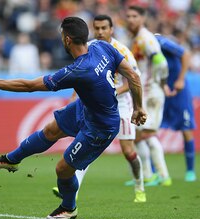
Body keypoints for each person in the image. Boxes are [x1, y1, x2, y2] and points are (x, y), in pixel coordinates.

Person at [0, 17, 146, 219]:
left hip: (101, 127)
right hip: (86, 108)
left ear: (67, 40)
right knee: (50, 131)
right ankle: (11, 160)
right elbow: (134, 76)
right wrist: (139, 107)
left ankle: (69, 208)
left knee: (63, 169)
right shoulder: (102, 46)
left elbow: (29, 86)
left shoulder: (77, 71)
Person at [52, 14, 146, 202]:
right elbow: (81, 77)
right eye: (97, 28)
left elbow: (134, 79)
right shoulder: (90, 47)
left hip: (122, 105)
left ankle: (139, 186)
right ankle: (73, 193)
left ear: (112, 30)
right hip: (96, 106)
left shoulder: (121, 50)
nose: (100, 32)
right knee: (84, 146)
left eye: (104, 28)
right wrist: (73, 98)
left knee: (128, 152)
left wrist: (114, 91)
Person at [125, 5, 171, 186]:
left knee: (148, 135)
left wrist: (162, 83)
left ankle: (163, 175)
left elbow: (161, 62)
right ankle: (148, 175)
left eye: (134, 16)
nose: (130, 19)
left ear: (142, 18)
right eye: (128, 16)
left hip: (151, 92)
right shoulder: (136, 38)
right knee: (137, 135)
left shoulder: (146, 38)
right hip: (143, 91)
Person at [156, 34, 197, 182]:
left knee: (186, 130)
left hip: (179, 92)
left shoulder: (161, 42)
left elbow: (185, 54)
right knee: (151, 130)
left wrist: (180, 79)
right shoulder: (142, 49)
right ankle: (154, 173)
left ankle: (190, 171)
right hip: (161, 91)